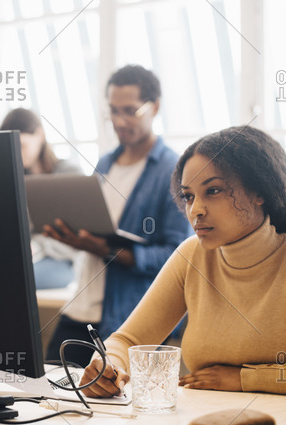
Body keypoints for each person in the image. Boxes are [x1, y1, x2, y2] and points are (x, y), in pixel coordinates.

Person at [79, 126, 286, 400]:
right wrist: (107, 365)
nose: (195, 210)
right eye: (188, 196)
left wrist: (248, 378)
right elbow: (128, 340)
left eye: (214, 190)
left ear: (260, 192)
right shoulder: (192, 255)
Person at [43, 65, 192, 366]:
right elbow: (93, 230)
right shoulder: (105, 163)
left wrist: (109, 250)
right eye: (113, 111)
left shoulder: (172, 171)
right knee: (49, 393)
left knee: (113, 407)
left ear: (155, 107)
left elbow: (176, 257)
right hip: (80, 308)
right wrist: (71, 237)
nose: (119, 121)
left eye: (130, 111)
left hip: (126, 319)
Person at [0, 108, 82, 289]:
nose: (17, 153)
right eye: (10, 147)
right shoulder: (13, 180)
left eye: (22, 145)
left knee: (17, 282)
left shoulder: (68, 174)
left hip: (63, 259)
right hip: (27, 258)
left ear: (40, 135)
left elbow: (77, 234)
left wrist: (37, 246)